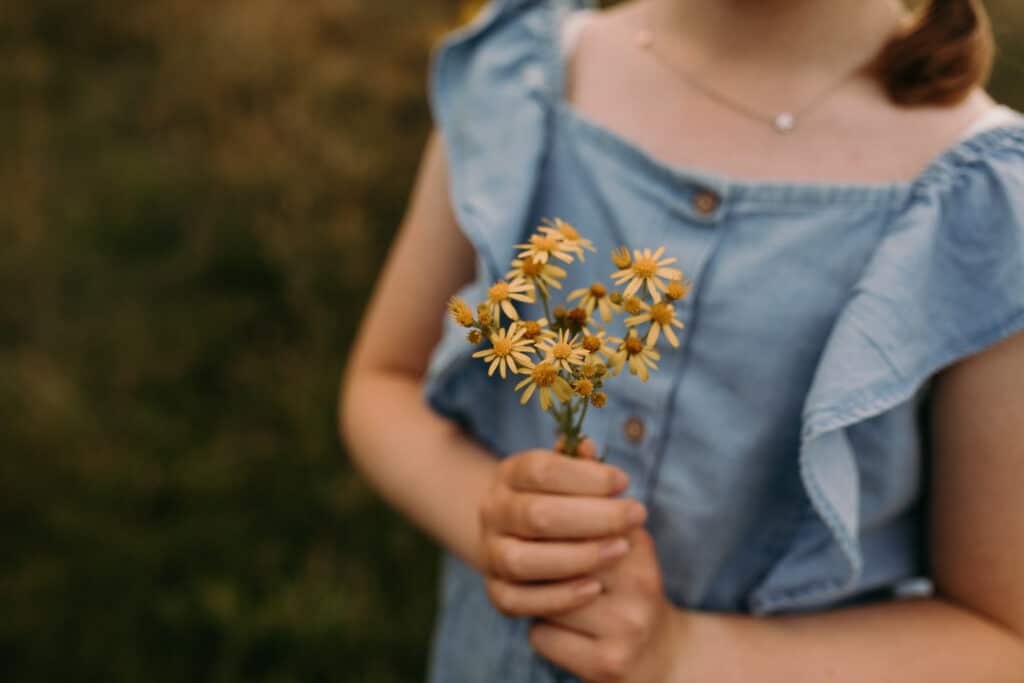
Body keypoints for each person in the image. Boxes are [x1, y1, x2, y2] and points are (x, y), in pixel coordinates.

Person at [340, 0, 1024, 680]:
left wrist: (684, 653)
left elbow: (1002, 636)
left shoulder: (985, 202)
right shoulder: (523, 73)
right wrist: (498, 522)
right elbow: (385, 383)